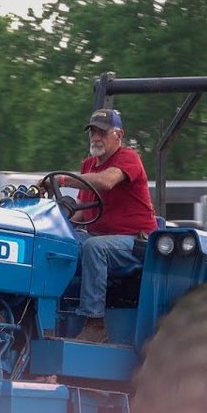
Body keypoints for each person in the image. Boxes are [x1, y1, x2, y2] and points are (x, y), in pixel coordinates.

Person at [46, 108, 158, 343]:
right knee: (56, 244)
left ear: (119, 135)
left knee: (94, 247)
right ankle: (46, 315)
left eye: (102, 133)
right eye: (93, 132)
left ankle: (95, 324)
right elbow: (80, 210)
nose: (96, 138)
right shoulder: (88, 165)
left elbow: (107, 182)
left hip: (137, 243)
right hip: (100, 237)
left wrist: (64, 179)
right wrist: (52, 226)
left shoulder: (128, 158)